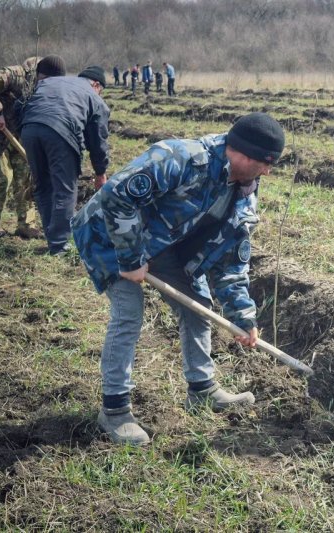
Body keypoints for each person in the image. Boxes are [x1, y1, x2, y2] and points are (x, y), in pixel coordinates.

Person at [71, 112, 285, 446]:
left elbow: (232, 260)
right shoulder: (181, 158)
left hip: (162, 245)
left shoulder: (244, 191)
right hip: (110, 236)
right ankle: (114, 411)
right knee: (129, 312)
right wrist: (129, 260)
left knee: (199, 307)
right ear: (243, 155)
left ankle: (203, 390)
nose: (268, 171)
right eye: (266, 163)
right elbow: (116, 197)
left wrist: (242, 315)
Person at [20, 66, 110, 255]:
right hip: (59, 132)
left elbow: (20, 105)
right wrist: (100, 172)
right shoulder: (94, 97)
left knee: (43, 186)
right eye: (101, 90)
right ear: (96, 84)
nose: (100, 94)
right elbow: (98, 139)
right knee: (65, 188)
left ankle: (53, 237)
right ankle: (59, 245)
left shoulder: (50, 81)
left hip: (29, 129)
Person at [0, 55, 66, 240]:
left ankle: (26, 225)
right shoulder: (14, 75)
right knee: (2, 178)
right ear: (41, 75)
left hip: (19, 135)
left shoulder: (47, 87)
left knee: (25, 178)